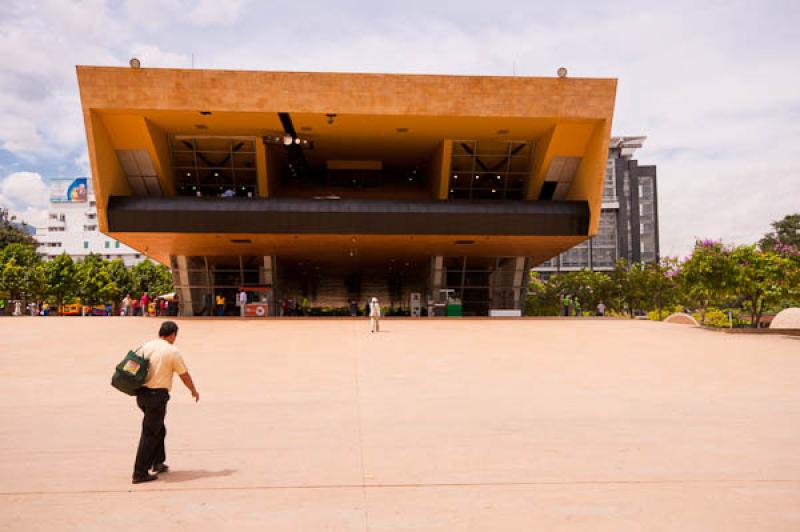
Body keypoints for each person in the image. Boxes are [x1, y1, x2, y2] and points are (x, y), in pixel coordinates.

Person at [132, 321, 199, 484]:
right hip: (157, 397)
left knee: (158, 429)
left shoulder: (145, 346)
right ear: (173, 334)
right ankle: (139, 473)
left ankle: (158, 462)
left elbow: (132, 366)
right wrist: (193, 390)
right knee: (150, 433)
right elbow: (184, 374)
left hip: (141, 395)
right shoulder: (172, 351)